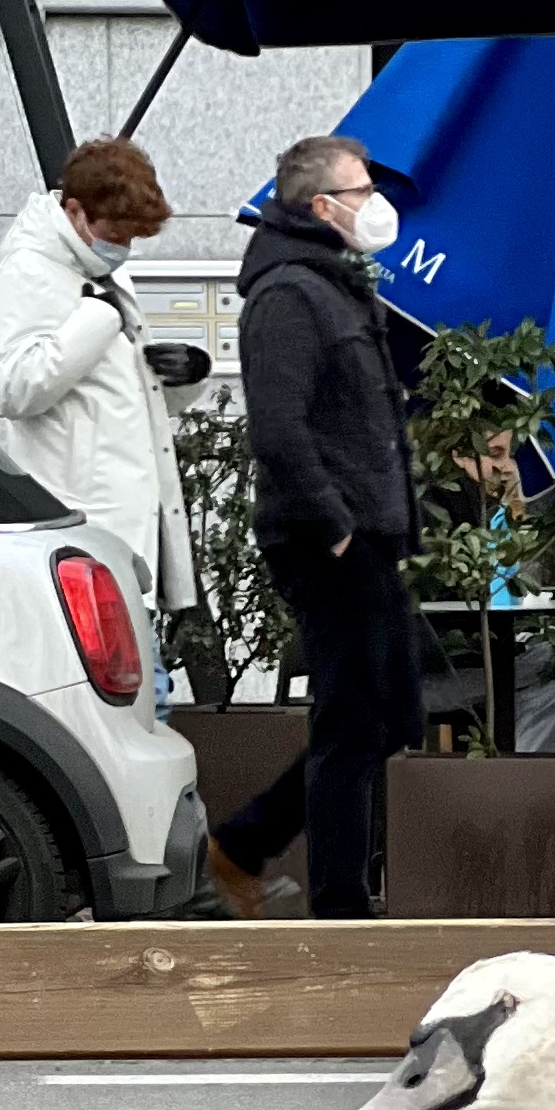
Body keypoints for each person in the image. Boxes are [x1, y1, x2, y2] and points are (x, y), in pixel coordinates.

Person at [206, 136, 425, 921]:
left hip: (369, 536)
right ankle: (340, 903)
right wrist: (335, 527)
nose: (376, 203)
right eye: (361, 189)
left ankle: (247, 841)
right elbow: (280, 428)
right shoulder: (289, 295)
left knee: (390, 714)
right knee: (352, 721)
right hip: (330, 540)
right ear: (319, 206)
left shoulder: (332, 282)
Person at [0, 133, 192, 628]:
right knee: (130, 694)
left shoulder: (97, 267)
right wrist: (94, 322)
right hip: (82, 532)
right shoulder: (27, 271)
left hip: (122, 530)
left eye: (132, 238)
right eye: (117, 233)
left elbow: (119, 394)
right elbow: (14, 388)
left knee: (139, 690)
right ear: (75, 212)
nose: (124, 248)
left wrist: (182, 377)